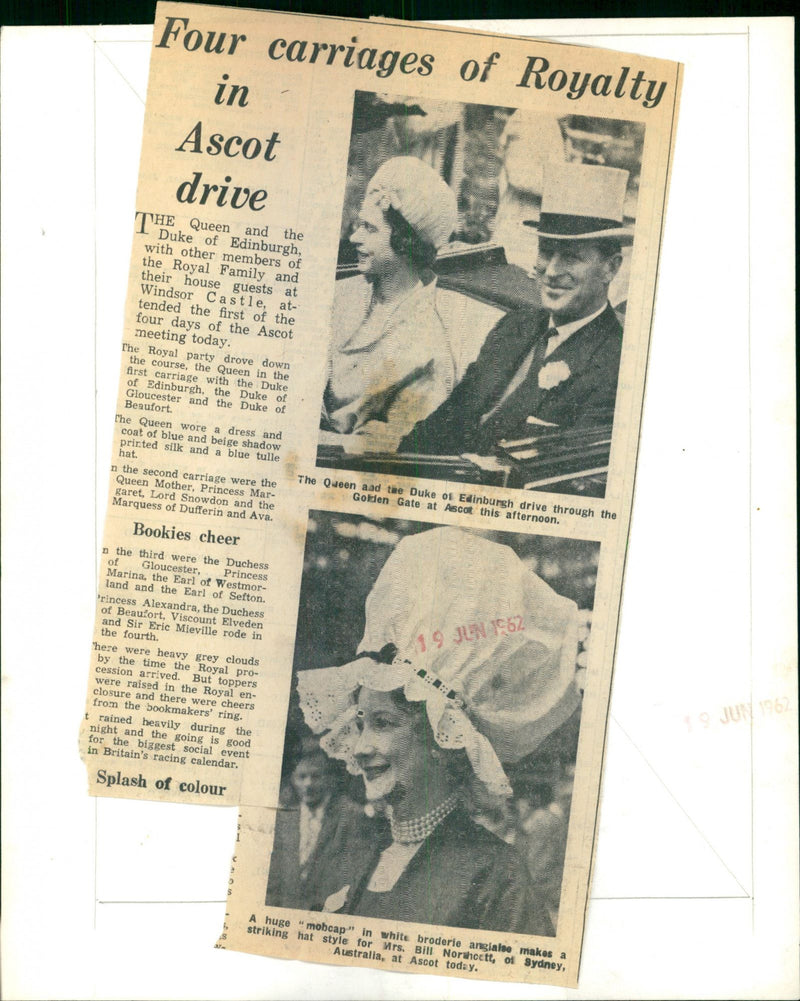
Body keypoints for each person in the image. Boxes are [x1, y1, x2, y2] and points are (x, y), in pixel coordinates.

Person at [296, 528, 581, 935]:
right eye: (359, 724)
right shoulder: (357, 850)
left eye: (382, 724)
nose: (359, 748)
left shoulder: (495, 871)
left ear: (439, 739)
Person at [397, 163, 631, 456]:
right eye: (546, 251)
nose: (552, 271)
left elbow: (561, 478)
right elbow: (444, 423)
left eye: (571, 257)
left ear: (611, 268)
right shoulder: (514, 327)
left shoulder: (618, 365)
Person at [320, 156, 458, 452]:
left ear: (405, 242)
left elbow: (382, 450)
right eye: (358, 225)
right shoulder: (342, 293)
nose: (354, 238)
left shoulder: (426, 349)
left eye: (370, 229)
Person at [265, 737, 372, 910]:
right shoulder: (283, 820)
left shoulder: (351, 817)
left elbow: (351, 878)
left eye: (315, 776)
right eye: (301, 777)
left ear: (329, 777)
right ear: (293, 779)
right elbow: (273, 881)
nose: (308, 784)